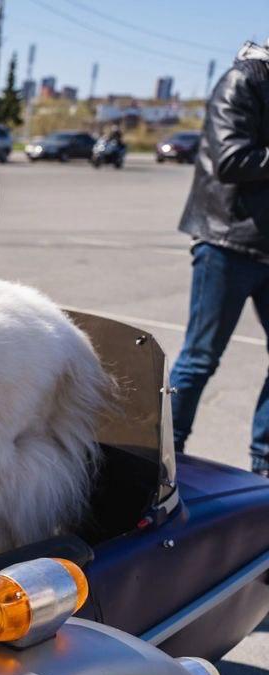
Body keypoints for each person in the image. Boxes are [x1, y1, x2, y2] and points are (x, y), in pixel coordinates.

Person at [171, 38, 269, 476]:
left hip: (266, 244)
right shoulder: (243, 81)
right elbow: (232, 158)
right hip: (227, 242)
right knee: (200, 356)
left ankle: (264, 464)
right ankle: (163, 460)